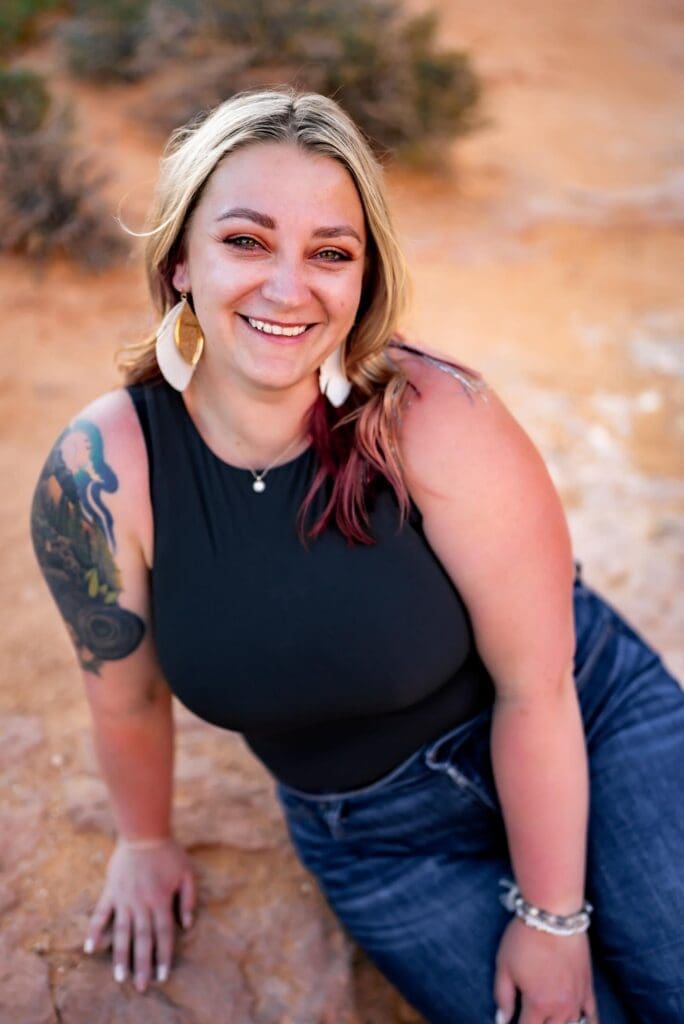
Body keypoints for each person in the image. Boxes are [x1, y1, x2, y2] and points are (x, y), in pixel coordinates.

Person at [30, 87, 684, 1024]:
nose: (289, 288)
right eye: (246, 241)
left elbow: (538, 688)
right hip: (379, 840)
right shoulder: (99, 479)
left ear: (363, 278)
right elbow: (127, 696)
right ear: (180, 259)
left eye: (329, 254)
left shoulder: (436, 415)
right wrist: (143, 839)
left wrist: (552, 919)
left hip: (588, 727)